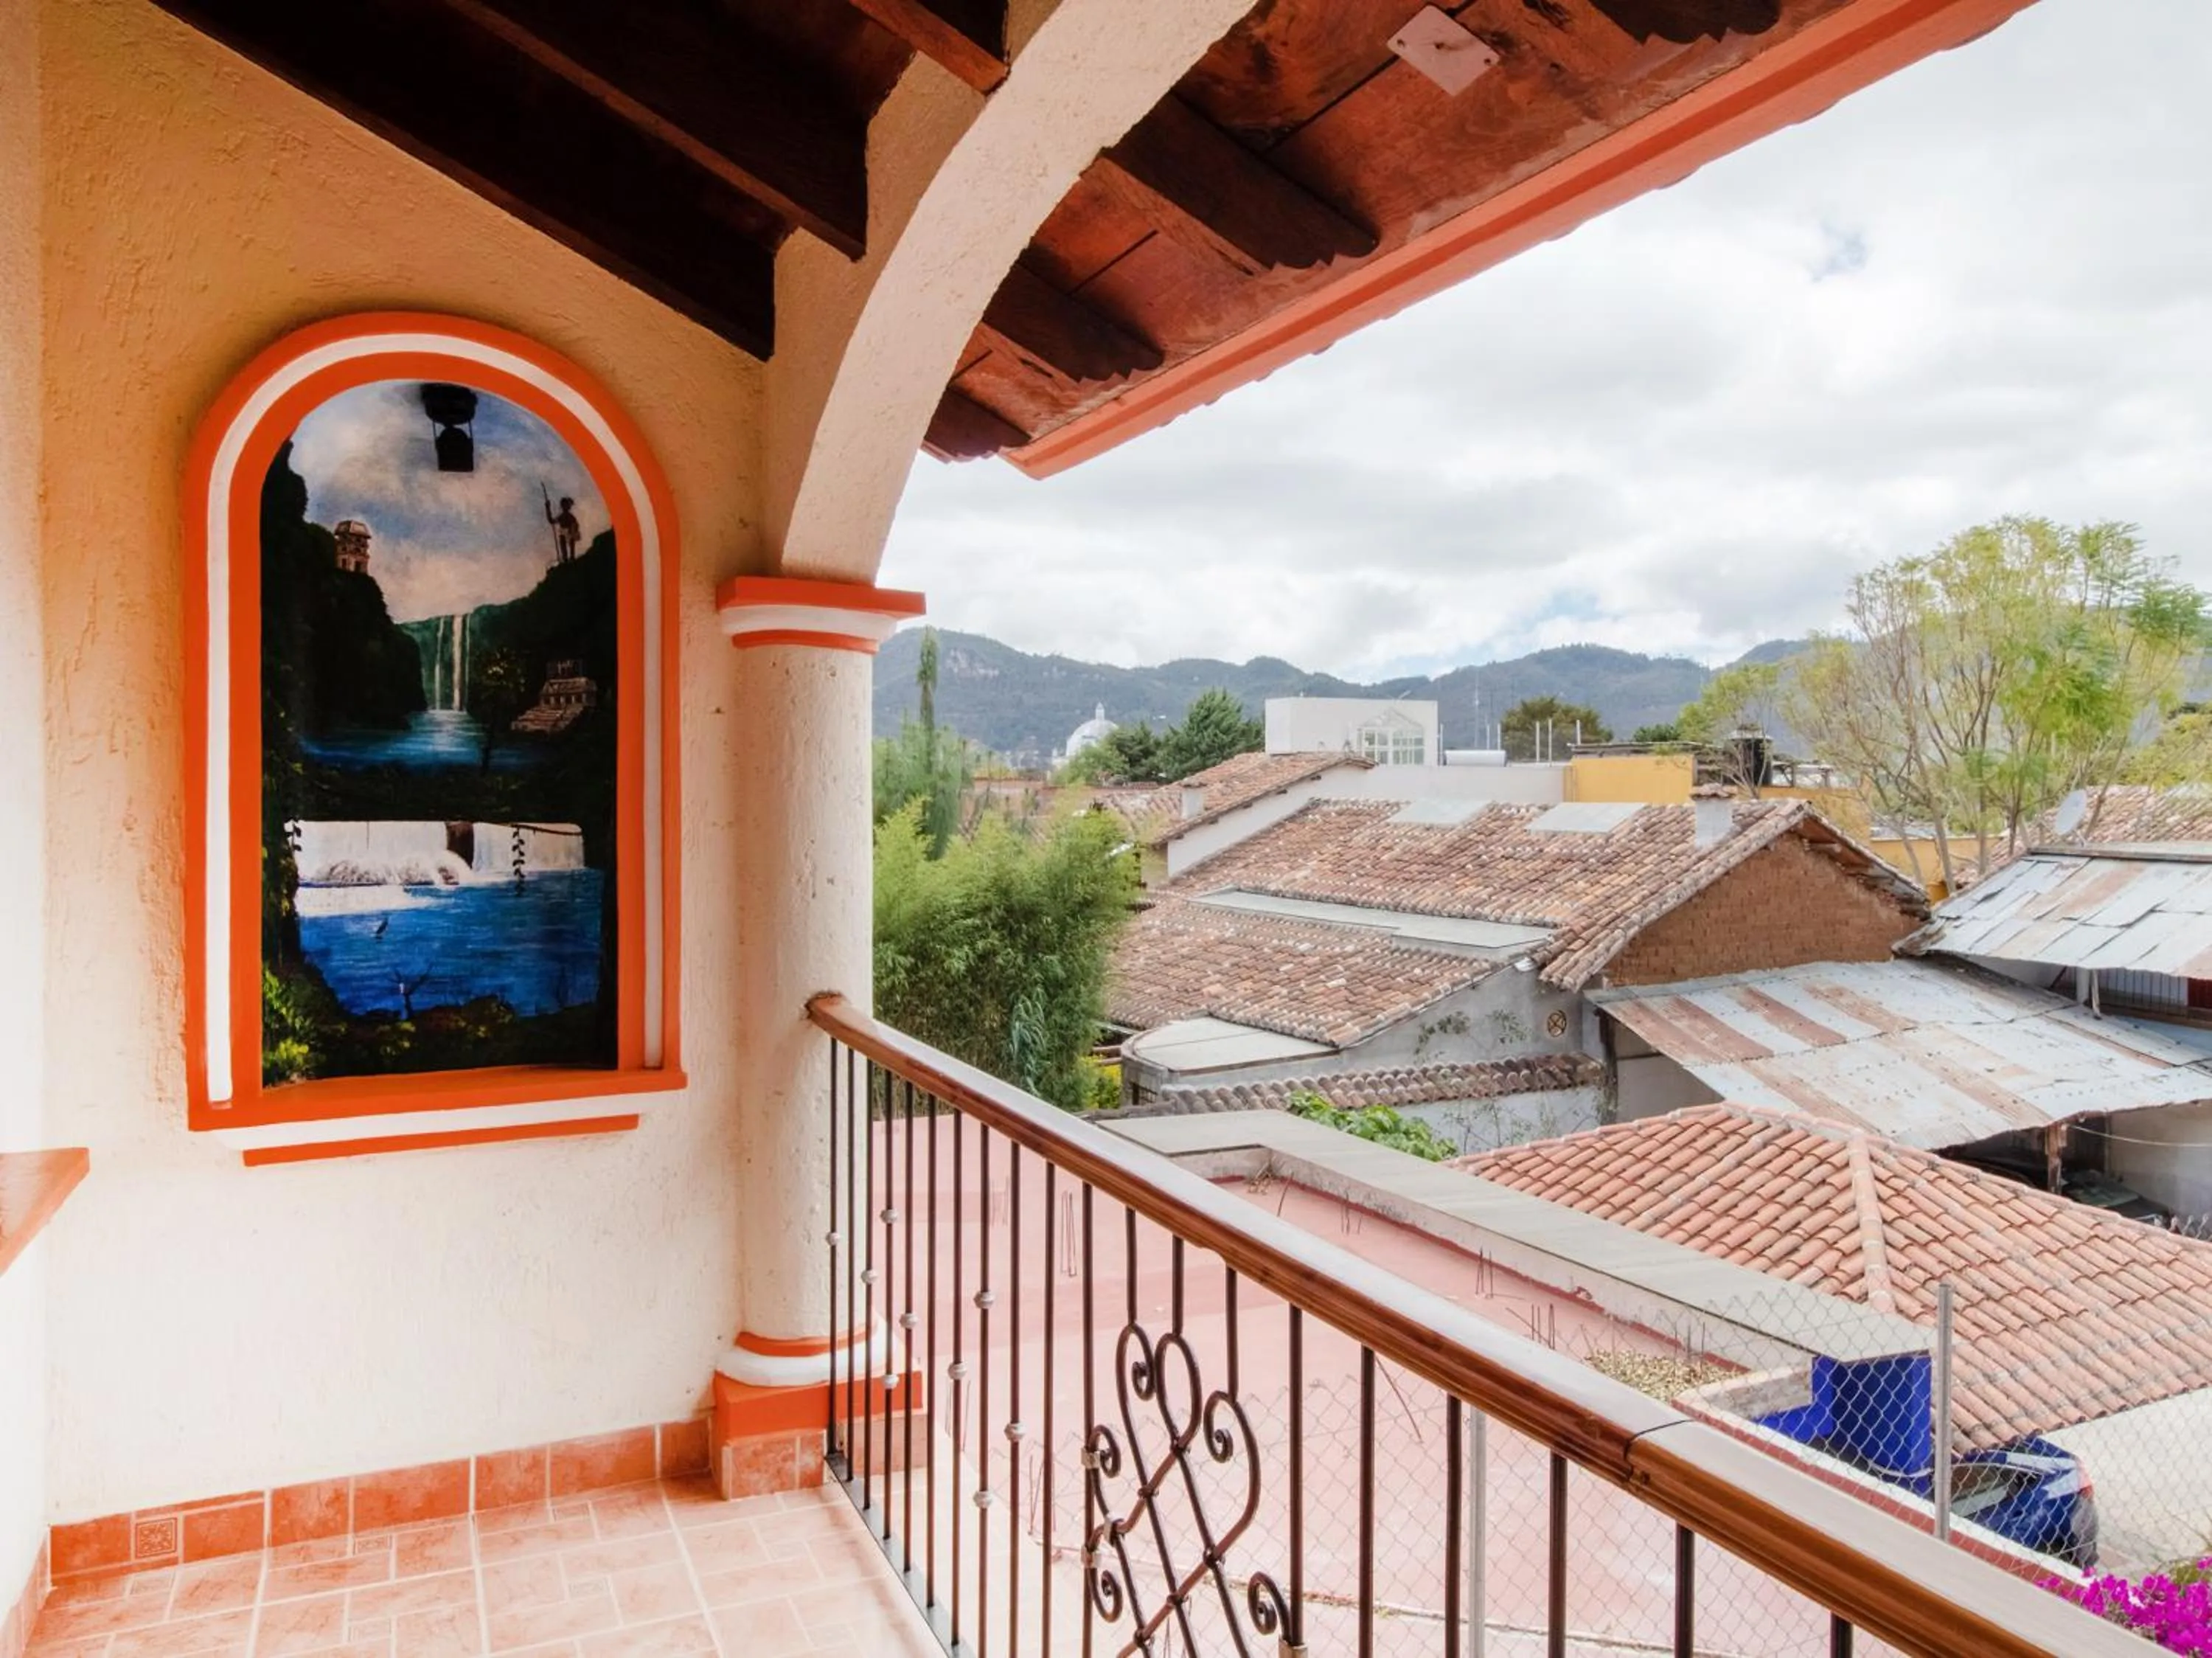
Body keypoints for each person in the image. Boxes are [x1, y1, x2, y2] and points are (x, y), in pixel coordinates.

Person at [543, 486, 581, 564]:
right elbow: (551, 521)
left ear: (568, 506)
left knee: (571, 542)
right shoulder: (561, 516)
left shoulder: (571, 517)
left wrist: (573, 531)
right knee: (563, 542)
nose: (564, 507)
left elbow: (576, 527)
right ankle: (566, 559)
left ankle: (571, 558)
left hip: (570, 532)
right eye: (563, 505)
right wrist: (548, 508)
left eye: (566, 505)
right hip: (563, 533)